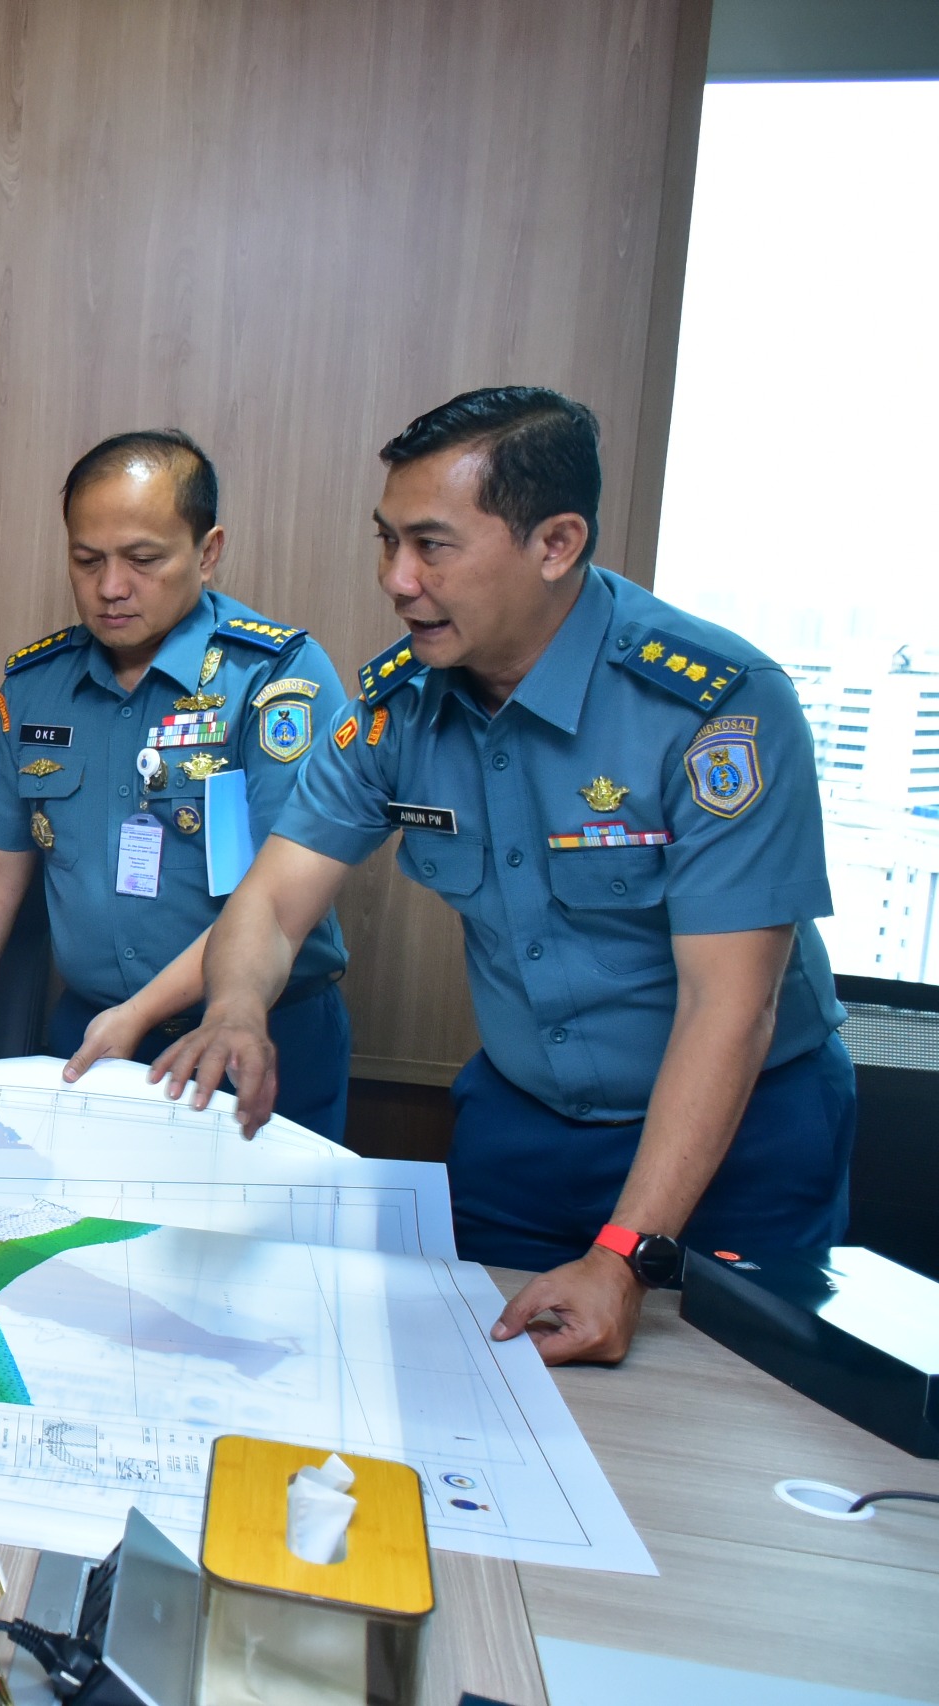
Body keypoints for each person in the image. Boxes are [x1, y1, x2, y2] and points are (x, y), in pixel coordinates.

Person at [153, 386, 852, 1365]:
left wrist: (623, 1253)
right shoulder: (396, 707)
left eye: (432, 546)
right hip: (522, 1132)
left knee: (718, 1420)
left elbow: (728, 1008)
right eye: (386, 540)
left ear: (555, 543)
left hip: (738, 1137)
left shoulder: (715, 707)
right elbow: (270, 901)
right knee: (482, 1393)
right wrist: (235, 1006)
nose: (397, 580)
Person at [0, 430, 353, 1137]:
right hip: (92, 1032)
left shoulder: (275, 678)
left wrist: (140, 1013)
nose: (111, 588)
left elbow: (283, 891)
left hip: (258, 1035)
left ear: (207, 552)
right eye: (87, 560)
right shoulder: (36, 685)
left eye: (143, 560)